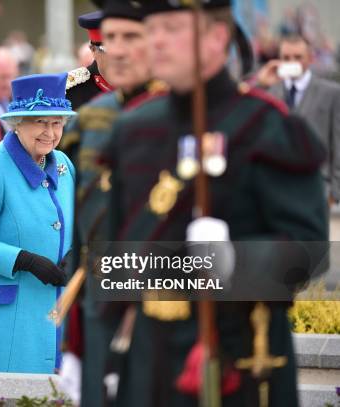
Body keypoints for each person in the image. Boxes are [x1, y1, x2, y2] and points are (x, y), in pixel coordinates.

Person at [105, 1, 327, 406]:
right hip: (150, 361)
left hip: (237, 355)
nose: (156, 40)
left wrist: (230, 264)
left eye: (171, 28)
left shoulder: (267, 126)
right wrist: (94, 360)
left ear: (216, 37)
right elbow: (112, 257)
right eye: (150, 28)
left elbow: (308, 250)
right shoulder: (133, 129)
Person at [58, 1, 165, 405]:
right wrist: (76, 339)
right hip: (100, 315)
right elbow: (85, 231)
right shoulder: (92, 120)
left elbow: (295, 259)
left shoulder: (206, 116)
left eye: (130, 38)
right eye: (109, 41)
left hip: (174, 318)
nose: (116, 51)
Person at [0, 73, 76, 374]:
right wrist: (24, 260)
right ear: (17, 123)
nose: (50, 132)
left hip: (54, 312)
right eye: (40, 122)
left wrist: (77, 251)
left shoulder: (63, 164)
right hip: (4, 320)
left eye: (57, 122)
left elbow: (71, 222)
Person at [256, 34, 340, 208]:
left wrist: (335, 192)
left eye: (298, 57)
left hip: (318, 189)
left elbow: (338, 144)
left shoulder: (331, 93)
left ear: (310, 59)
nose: (292, 62)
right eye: (286, 58)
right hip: (274, 190)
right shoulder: (268, 91)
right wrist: (260, 84)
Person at [65, 10, 113, 111]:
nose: (119, 55)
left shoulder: (148, 84)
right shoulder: (71, 90)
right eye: (108, 50)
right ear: (93, 50)